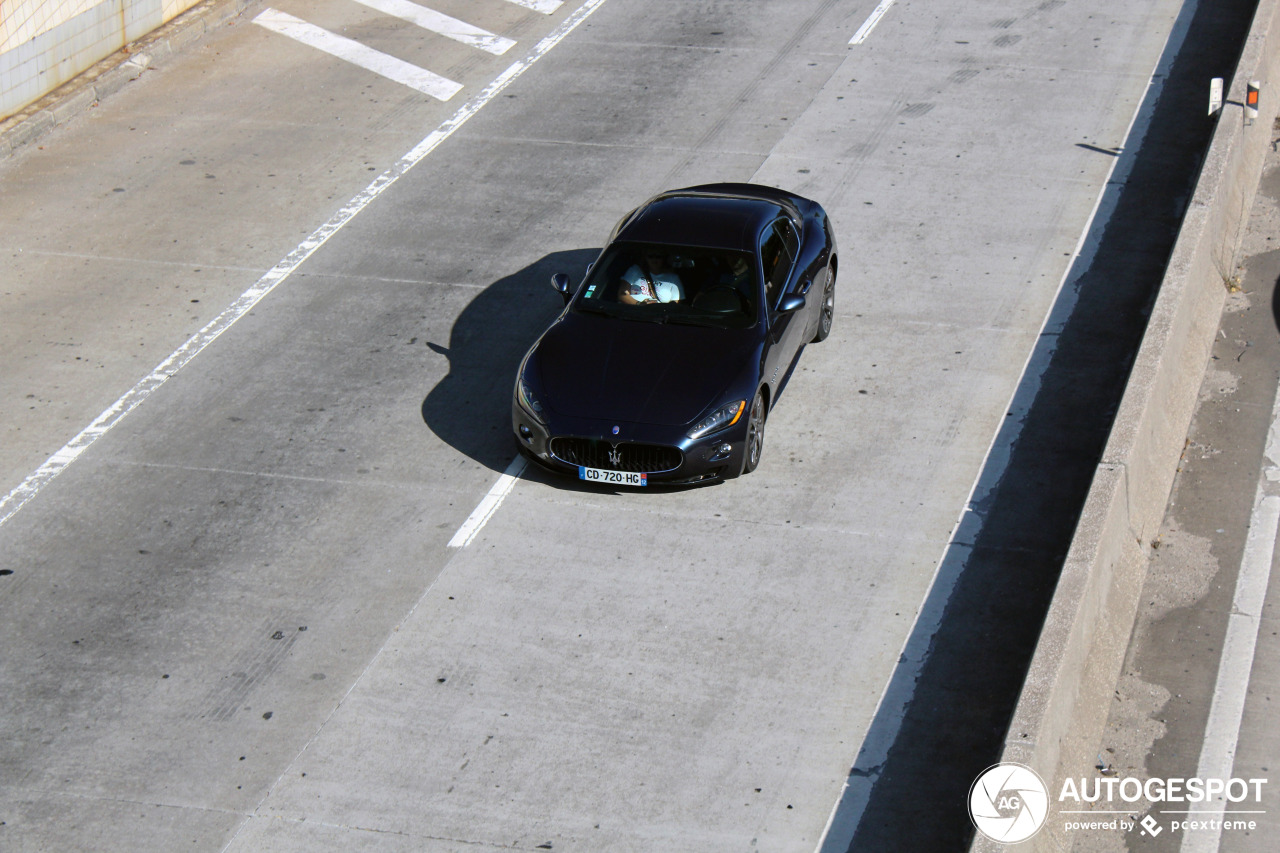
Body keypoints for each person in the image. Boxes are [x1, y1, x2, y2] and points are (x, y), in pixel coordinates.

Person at [619, 248, 684, 304]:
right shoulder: (635, 270)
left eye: (658, 256)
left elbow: (675, 305)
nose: (654, 259)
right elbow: (622, 294)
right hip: (634, 313)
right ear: (645, 258)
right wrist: (639, 304)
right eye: (650, 256)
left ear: (664, 258)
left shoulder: (673, 278)